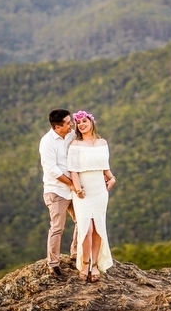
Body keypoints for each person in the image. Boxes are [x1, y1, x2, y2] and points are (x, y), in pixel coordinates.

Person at [68, 110, 116, 282]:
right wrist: (77, 187)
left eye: (84, 121)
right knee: (86, 229)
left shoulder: (102, 142)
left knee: (97, 229)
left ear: (91, 122)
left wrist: (112, 178)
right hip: (83, 191)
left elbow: (105, 167)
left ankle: (95, 264)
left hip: (99, 191)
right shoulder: (75, 144)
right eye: (78, 123)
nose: (81, 125)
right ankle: (85, 262)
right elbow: (72, 169)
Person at [38, 108, 79, 278]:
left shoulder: (70, 134)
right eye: (68, 123)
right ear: (57, 127)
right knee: (57, 227)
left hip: (73, 188)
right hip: (56, 190)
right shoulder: (47, 142)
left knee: (82, 221)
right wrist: (72, 184)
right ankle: (53, 263)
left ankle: (76, 254)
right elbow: (52, 169)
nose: (71, 125)